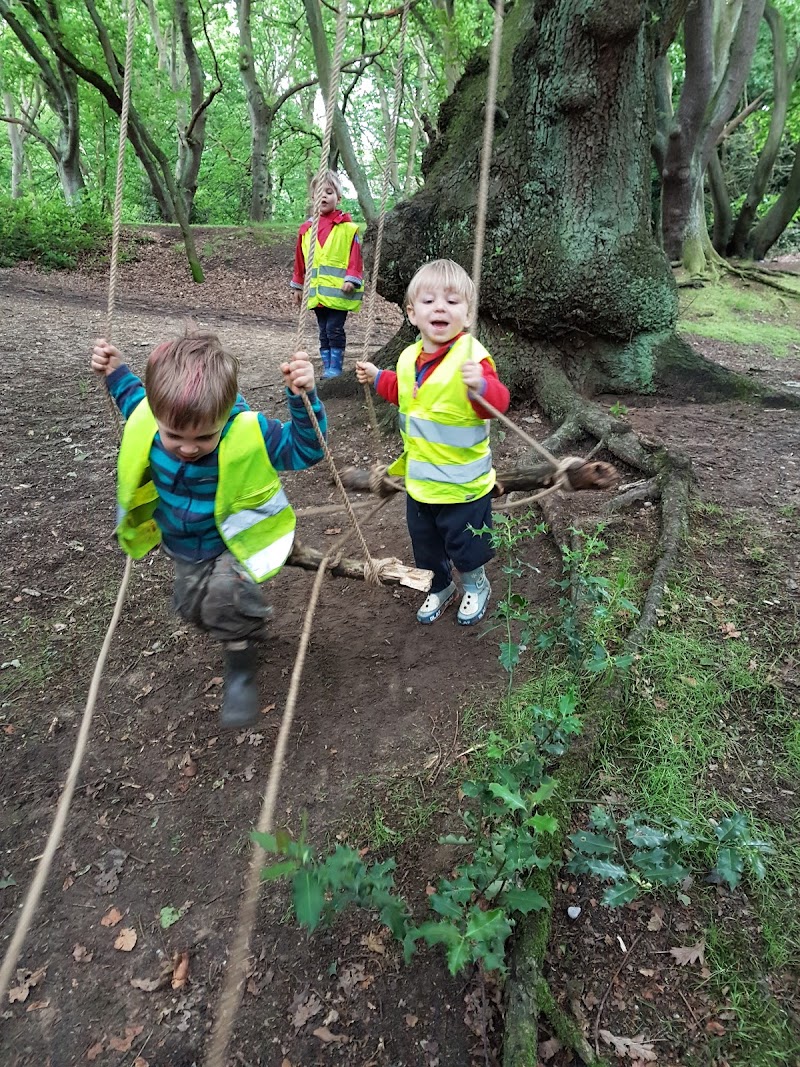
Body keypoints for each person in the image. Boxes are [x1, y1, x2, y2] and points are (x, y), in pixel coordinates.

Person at [91, 332, 327, 728]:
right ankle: (237, 626)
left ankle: (241, 664)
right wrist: (115, 370)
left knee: (225, 597)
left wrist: (303, 400)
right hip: (182, 543)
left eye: (203, 437)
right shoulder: (150, 417)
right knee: (190, 607)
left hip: (233, 542)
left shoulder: (248, 433)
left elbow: (307, 448)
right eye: (174, 437)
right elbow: (131, 394)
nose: (187, 448)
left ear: (223, 415)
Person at [356, 259, 510, 626]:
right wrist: (378, 377)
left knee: (467, 545)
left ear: (468, 315)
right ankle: (440, 586)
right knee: (426, 544)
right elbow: (403, 392)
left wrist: (481, 387)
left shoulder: (472, 358)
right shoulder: (409, 357)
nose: (440, 307)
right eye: (428, 301)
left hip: (464, 487)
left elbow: (498, 405)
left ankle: (475, 584)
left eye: (452, 301)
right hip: (421, 483)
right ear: (412, 313)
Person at [291, 169, 363, 380]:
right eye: (320, 192)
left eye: (329, 192)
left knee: (334, 328)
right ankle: (327, 365)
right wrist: (297, 286)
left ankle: (336, 367)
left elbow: (355, 257)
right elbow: (300, 261)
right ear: (312, 197)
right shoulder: (306, 230)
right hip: (317, 292)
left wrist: (352, 278)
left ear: (338, 198)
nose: (324, 196)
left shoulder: (347, 228)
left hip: (339, 292)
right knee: (323, 330)